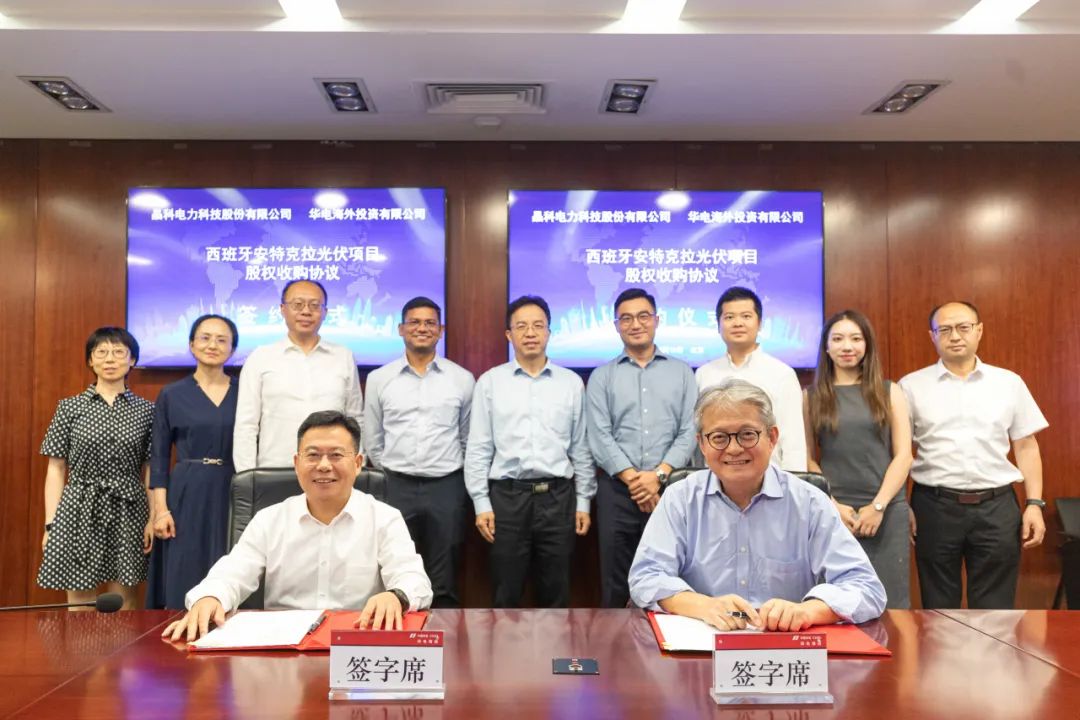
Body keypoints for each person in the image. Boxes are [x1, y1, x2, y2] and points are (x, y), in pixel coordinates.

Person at [628, 378, 886, 631]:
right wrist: (703, 605)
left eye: (747, 435)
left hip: (783, 646)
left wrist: (807, 611)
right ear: (702, 445)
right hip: (701, 643)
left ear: (772, 438)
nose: (734, 449)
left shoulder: (810, 503)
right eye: (719, 437)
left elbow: (866, 588)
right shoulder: (679, 499)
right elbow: (645, 577)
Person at [163, 410, 432, 641]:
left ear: (358, 463)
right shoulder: (270, 519)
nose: (324, 466)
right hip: (282, 650)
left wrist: (397, 596)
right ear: (296, 463)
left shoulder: (384, 518)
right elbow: (232, 574)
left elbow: (413, 579)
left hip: (355, 644)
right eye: (312, 455)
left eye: (336, 455)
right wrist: (211, 597)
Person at [899, 301, 1047, 609]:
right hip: (934, 507)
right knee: (939, 609)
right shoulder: (911, 387)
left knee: (995, 611)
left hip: (997, 508)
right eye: (945, 330)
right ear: (932, 336)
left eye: (963, 327)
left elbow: (1026, 445)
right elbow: (898, 452)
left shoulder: (1008, 383)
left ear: (979, 331)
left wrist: (1034, 504)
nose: (955, 336)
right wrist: (902, 505)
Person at [464, 295, 595, 608]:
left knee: (557, 592)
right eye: (521, 326)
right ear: (509, 335)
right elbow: (479, 446)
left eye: (538, 325)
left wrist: (584, 501)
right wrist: (480, 502)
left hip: (558, 498)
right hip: (507, 500)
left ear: (549, 332)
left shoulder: (571, 383)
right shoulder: (490, 382)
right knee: (506, 591)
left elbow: (581, 447)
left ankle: (555, 643)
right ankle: (503, 644)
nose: (531, 333)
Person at [586, 288, 697, 608]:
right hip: (617, 492)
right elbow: (599, 435)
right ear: (616, 325)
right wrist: (637, 481)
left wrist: (658, 477)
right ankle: (614, 641)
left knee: (670, 578)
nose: (636, 324)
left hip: (671, 491)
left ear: (657, 320)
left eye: (643, 316)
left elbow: (690, 431)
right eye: (626, 318)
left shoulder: (682, 372)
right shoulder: (601, 376)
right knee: (615, 580)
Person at [363, 296, 475, 608]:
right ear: (401, 329)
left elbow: (467, 436)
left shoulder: (462, 379)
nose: (422, 328)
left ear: (441, 330)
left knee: (445, 569)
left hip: (447, 486)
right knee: (393, 567)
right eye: (414, 322)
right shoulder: (379, 379)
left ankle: (445, 631)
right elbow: (373, 437)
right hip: (395, 485)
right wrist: (389, 468)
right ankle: (396, 627)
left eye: (429, 323)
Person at [38, 327, 155, 610]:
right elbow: (55, 469)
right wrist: (50, 524)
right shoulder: (69, 408)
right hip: (79, 506)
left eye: (118, 352)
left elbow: (152, 469)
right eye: (101, 352)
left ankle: (123, 644)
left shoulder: (147, 411)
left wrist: (152, 517)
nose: (109, 359)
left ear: (132, 360)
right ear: (90, 360)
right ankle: (81, 644)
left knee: (125, 599)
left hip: (129, 508)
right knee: (81, 599)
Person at [803, 310, 913, 608]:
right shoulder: (811, 396)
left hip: (886, 510)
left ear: (867, 345)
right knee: (835, 603)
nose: (847, 346)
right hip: (834, 511)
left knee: (892, 604)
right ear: (826, 347)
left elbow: (904, 456)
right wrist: (833, 505)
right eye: (838, 339)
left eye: (855, 338)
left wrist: (878, 506)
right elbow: (808, 460)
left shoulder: (889, 391)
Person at [146, 315, 240, 610]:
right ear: (191, 344)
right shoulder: (172, 394)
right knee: (184, 564)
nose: (213, 345)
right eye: (205, 337)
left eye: (222, 340)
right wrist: (160, 510)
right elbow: (159, 456)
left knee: (229, 562)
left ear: (232, 349)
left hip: (233, 487)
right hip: (186, 489)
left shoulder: (245, 391)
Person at [233, 279, 363, 472]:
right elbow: (246, 424)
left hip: (331, 470)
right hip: (275, 469)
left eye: (314, 305)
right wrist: (247, 475)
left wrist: (355, 468)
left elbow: (356, 418)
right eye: (298, 304)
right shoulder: (260, 357)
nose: (306, 311)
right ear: (282, 309)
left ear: (325, 312)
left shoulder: (343, 357)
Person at [695, 286, 807, 472]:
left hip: (769, 480)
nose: (738, 323)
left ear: (760, 323)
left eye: (746, 316)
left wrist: (793, 484)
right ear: (718, 325)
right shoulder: (704, 374)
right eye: (729, 317)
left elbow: (793, 442)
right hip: (716, 478)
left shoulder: (782, 373)